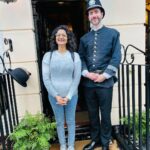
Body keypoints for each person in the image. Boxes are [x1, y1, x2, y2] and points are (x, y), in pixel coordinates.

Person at [78, 0, 121, 150]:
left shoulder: (113, 34)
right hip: (89, 83)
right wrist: (86, 73)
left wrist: (105, 75)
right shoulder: (84, 39)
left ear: (102, 14)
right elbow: (81, 58)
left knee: (106, 114)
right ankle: (95, 140)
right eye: (91, 13)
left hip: (105, 83)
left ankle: (105, 141)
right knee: (92, 114)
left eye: (96, 12)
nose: (94, 15)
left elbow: (116, 57)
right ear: (88, 17)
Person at [42, 25, 81, 150]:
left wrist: (69, 96)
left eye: (63, 35)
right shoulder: (48, 56)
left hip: (72, 95)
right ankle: (63, 145)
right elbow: (46, 79)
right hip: (54, 96)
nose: (61, 37)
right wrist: (56, 95)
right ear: (55, 38)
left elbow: (76, 78)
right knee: (59, 122)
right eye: (58, 35)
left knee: (70, 121)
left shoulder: (75, 56)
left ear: (68, 38)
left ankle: (70, 145)